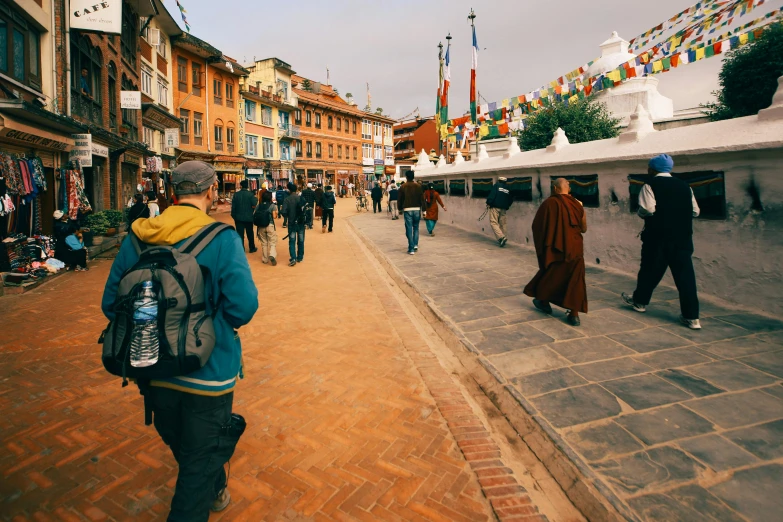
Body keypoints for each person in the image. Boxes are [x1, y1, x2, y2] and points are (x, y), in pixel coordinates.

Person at [101, 161, 258, 520]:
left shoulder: (139, 237)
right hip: (210, 369)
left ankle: (215, 485)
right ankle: (207, 487)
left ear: (172, 194)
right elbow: (243, 306)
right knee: (197, 462)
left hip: (153, 367)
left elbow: (112, 303)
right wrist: (212, 327)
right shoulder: (222, 238)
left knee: (187, 447)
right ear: (210, 191)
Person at [622, 154, 702, 330]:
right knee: (686, 278)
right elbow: (695, 211)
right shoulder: (685, 186)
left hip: (657, 238)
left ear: (652, 169)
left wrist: (643, 215)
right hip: (682, 239)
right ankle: (692, 317)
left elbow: (647, 209)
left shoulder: (650, 185)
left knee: (650, 270)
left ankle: (640, 302)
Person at [523, 178, 587, 326]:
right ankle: (574, 314)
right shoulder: (578, 204)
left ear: (555, 189)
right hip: (575, 248)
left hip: (556, 248)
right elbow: (584, 229)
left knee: (552, 275)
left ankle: (543, 300)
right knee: (575, 280)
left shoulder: (549, 203)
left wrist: (547, 243)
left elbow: (537, 226)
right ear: (567, 189)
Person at [397, 170, 424, 255]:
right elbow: (422, 199)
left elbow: (400, 199)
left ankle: (411, 248)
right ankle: (415, 244)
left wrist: (400, 209)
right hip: (417, 209)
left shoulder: (403, 186)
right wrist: (424, 210)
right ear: (413, 177)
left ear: (406, 177)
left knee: (409, 228)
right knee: (416, 227)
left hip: (407, 209)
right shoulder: (418, 186)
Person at [282, 182, 305, 266]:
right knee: (301, 240)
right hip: (301, 222)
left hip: (291, 223)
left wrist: (288, 215)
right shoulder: (301, 199)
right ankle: (300, 257)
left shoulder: (287, 199)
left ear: (289, 190)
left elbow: (283, 212)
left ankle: (293, 258)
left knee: (292, 241)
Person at [486, 176, 513, 247]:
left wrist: (489, 202)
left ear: (499, 180)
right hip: (504, 208)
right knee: (503, 223)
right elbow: (511, 199)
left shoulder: (496, 186)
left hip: (495, 207)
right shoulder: (508, 188)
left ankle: (501, 237)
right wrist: (507, 205)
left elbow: (492, 195)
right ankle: (503, 238)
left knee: (493, 222)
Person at [231, 180, 257, 253]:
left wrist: (234, 216)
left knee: (240, 235)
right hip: (248, 217)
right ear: (247, 186)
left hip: (238, 218)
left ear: (241, 186)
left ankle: (241, 249)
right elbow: (254, 203)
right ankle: (252, 248)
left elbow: (233, 207)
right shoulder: (250, 194)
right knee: (250, 234)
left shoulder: (236, 195)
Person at [255, 191, 278, 265]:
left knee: (264, 243)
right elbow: (274, 216)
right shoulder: (272, 205)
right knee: (272, 242)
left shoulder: (259, 205)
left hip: (261, 226)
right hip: (270, 225)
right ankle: (272, 254)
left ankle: (265, 259)